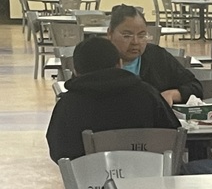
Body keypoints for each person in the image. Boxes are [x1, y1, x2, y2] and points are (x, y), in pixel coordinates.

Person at [45, 36, 179, 162]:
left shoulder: (68, 104)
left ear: (76, 71)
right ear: (119, 64)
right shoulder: (147, 94)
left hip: (90, 184)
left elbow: (58, 151)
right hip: (147, 180)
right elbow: (173, 135)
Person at [106, 4, 202, 106]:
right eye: (127, 35)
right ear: (110, 34)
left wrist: (172, 94)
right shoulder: (99, 58)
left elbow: (195, 87)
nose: (135, 42)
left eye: (141, 35)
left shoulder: (157, 57)